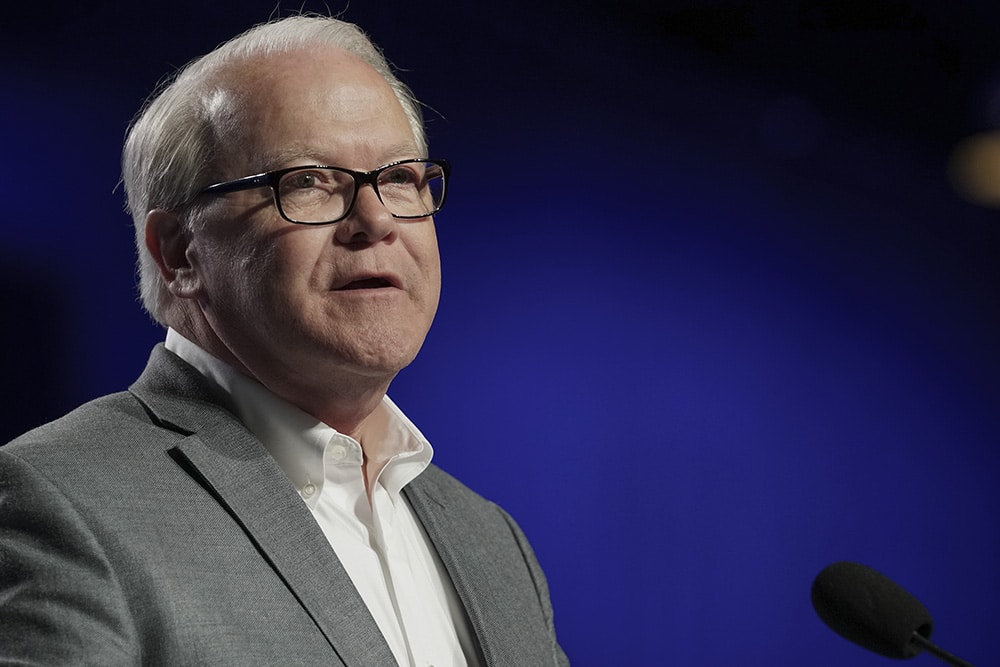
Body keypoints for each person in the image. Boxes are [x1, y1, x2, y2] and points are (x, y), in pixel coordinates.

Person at [0, 15, 567, 666]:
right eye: (307, 182)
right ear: (179, 252)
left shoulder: (492, 543)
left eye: (401, 178)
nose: (377, 220)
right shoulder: (60, 505)